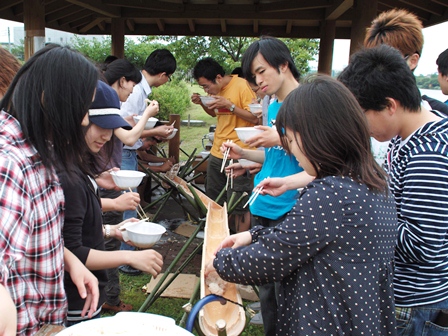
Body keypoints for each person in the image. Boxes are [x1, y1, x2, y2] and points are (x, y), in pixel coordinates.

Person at [206, 75, 398, 335]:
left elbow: (270, 260)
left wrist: (220, 261)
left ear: (317, 136)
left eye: (293, 142)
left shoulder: (330, 195)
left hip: (326, 322)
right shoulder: (372, 182)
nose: (293, 152)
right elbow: (304, 237)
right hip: (363, 319)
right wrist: (254, 234)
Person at [338, 44, 448, 335]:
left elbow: (423, 247)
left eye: (362, 115)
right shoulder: (408, 138)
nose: (361, 127)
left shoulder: (428, 156)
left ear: (389, 105)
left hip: (417, 306)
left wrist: (362, 213)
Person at [0, 44, 100, 335]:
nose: (84, 121)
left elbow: (28, 226)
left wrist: (68, 260)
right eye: (81, 108)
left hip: (42, 318)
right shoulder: (9, 164)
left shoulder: (35, 148)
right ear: (48, 99)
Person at [220, 36, 312, 333]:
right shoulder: (272, 104)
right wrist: (244, 155)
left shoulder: (308, 102)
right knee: (270, 288)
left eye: (261, 72)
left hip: (290, 206)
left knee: (289, 290)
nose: (258, 80)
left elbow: (317, 158)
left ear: (283, 65)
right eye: (253, 76)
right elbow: (272, 156)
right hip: (264, 202)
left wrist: (281, 137)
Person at [61, 80, 164, 326]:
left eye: (113, 127)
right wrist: (128, 258)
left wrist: (111, 229)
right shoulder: (69, 177)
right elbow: (73, 250)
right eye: (101, 126)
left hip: (89, 287)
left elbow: (79, 219)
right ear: (80, 120)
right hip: (78, 294)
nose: (108, 136)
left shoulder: (80, 169)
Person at [99, 58, 160, 310]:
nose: (130, 93)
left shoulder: (104, 103)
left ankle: (106, 296)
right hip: (102, 183)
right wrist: (147, 114)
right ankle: (109, 299)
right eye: (130, 88)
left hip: (102, 177)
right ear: (121, 80)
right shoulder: (105, 104)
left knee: (105, 237)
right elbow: (130, 136)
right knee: (106, 241)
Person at [363, 8, 448, 165]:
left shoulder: (435, 123)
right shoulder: (365, 110)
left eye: (388, 61)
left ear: (413, 60)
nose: (378, 70)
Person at [118, 49, 176, 275]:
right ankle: (127, 259)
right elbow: (124, 129)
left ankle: (128, 256)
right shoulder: (136, 90)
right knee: (128, 205)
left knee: (129, 204)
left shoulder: (140, 88)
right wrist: (157, 130)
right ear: (163, 75)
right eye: (168, 77)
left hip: (129, 151)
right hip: (124, 152)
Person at [191, 57, 258, 233]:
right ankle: (221, 240)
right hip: (217, 153)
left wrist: (231, 106)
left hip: (238, 154)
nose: (207, 90)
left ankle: (238, 247)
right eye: (203, 87)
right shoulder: (217, 91)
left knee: (238, 204)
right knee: (215, 203)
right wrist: (202, 103)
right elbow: (215, 114)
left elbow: (255, 118)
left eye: (207, 86)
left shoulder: (242, 86)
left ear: (219, 77)